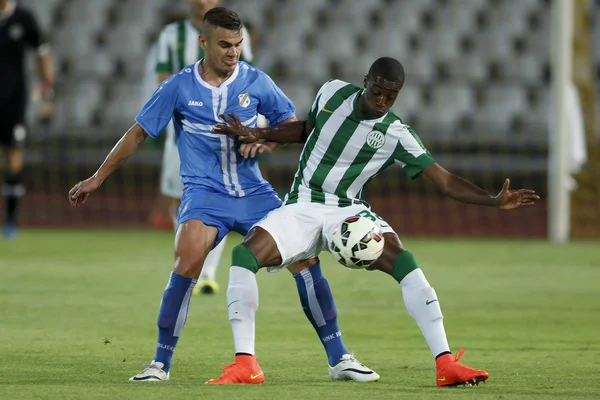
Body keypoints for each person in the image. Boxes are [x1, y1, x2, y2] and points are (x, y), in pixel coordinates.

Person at [68, 7, 377, 384]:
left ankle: (339, 357)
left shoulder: (257, 82)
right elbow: (137, 134)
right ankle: (159, 364)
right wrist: (98, 178)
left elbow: (291, 127)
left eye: (238, 44)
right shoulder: (178, 87)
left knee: (306, 261)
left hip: (254, 193)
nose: (233, 52)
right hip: (204, 193)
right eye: (225, 45)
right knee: (187, 260)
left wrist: (262, 142)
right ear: (204, 43)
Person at [210, 57, 540, 386]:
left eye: (391, 97)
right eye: (378, 92)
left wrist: (493, 200)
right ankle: (246, 364)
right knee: (244, 254)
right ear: (366, 81)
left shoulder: (397, 134)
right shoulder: (332, 92)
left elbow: (445, 182)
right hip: (303, 205)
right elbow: (309, 129)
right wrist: (260, 133)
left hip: (349, 211)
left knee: (406, 263)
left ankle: (445, 363)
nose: (382, 101)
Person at [152, 0, 256, 295]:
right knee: (181, 198)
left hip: (221, 134)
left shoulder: (236, 33)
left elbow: (246, 75)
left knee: (219, 198)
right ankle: (189, 263)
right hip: (183, 133)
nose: (203, 1)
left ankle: (207, 273)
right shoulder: (171, 35)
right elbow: (162, 80)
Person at [0, 0, 54, 238]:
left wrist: (47, 92)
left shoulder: (23, 18)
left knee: (14, 159)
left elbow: (42, 53)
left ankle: (11, 221)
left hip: (14, 102)